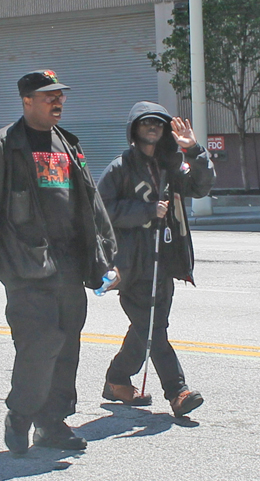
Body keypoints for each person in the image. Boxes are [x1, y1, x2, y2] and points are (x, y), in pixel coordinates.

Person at [0, 70, 117, 454]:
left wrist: (104, 259)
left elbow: (90, 204)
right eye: (48, 96)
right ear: (26, 100)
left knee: (67, 346)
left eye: (59, 95)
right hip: (25, 264)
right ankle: (20, 413)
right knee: (39, 344)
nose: (57, 101)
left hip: (68, 264)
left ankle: (52, 423)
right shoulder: (2, 146)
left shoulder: (67, 144)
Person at [97, 101, 216, 417]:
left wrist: (194, 151)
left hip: (164, 262)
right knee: (153, 329)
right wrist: (146, 211)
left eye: (158, 123)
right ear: (134, 129)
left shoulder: (171, 166)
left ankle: (117, 379)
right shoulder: (120, 168)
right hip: (131, 266)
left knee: (148, 327)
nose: (153, 127)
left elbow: (202, 187)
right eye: (145, 122)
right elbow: (101, 211)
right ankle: (177, 391)